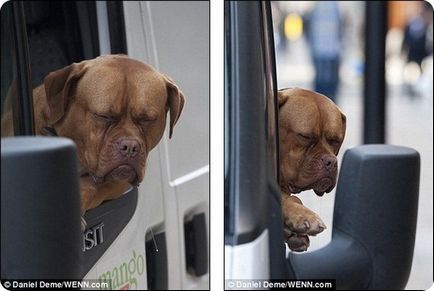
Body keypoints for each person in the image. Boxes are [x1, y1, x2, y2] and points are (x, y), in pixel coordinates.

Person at [304, 2, 343, 103]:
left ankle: (329, 110)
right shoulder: (317, 6)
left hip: (330, 50)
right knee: (323, 84)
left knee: (329, 85)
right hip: (322, 50)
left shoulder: (336, 6)